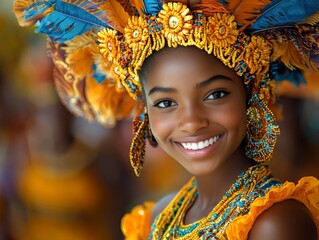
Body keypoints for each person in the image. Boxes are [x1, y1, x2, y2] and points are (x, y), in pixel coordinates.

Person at [13, 0, 319, 239]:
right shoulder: (157, 217)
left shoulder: (275, 223)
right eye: (166, 102)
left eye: (215, 95)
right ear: (144, 114)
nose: (191, 121)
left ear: (249, 94)